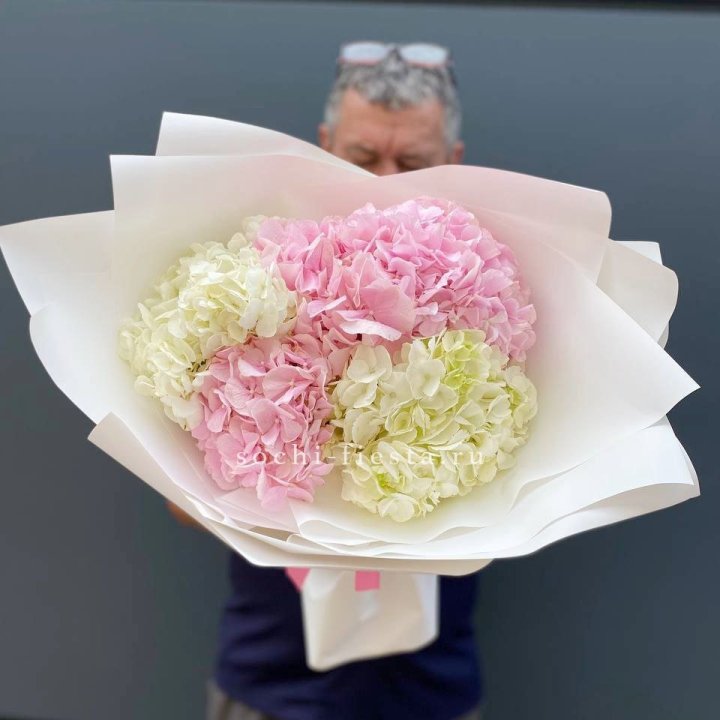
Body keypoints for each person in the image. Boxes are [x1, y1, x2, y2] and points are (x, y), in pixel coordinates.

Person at [202, 42, 482, 720]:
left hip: (430, 688)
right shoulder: (253, 272)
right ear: (324, 145)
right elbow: (181, 500)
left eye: (411, 163)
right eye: (362, 157)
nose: (384, 180)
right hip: (272, 681)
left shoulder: (488, 285)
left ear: (453, 161)